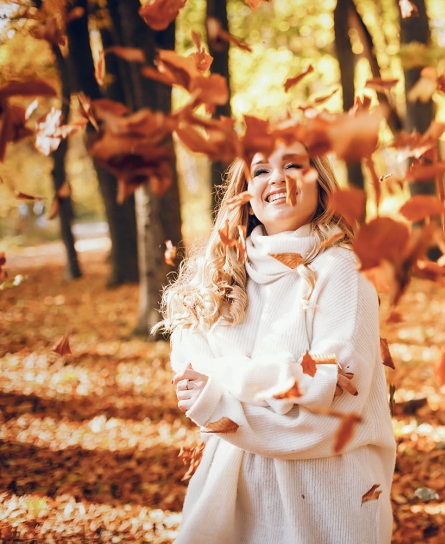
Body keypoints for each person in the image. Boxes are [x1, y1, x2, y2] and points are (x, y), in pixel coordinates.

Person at [158, 140, 396, 544]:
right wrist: (299, 380)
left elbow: (336, 409)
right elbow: (190, 379)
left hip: (327, 500)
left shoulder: (344, 271)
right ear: (245, 192)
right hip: (229, 500)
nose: (278, 178)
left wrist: (222, 399)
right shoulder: (215, 276)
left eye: (293, 166)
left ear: (320, 184)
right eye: (262, 169)